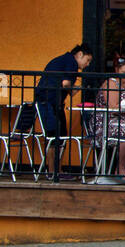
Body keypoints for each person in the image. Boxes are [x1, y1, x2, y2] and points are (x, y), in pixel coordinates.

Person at [34, 42, 93, 180]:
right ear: (80, 55)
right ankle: (54, 172)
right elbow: (65, 84)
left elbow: (66, 87)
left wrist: (77, 88)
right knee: (56, 137)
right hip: (50, 103)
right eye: (87, 60)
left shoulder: (63, 60)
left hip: (49, 101)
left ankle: (55, 171)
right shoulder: (71, 62)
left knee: (57, 137)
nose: (88, 64)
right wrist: (79, 87)